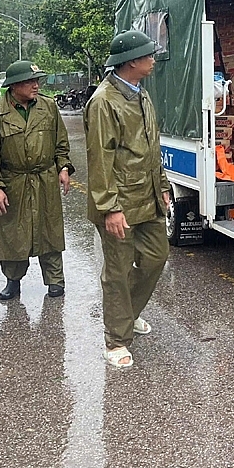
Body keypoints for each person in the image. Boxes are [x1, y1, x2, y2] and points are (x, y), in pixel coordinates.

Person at [84, 30, 171, 369]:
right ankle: (116, 339)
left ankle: (128, 313)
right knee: (118, 271)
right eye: (148, 55)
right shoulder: (104, 101)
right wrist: (110, 208)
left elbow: (152, 145)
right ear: (132, 61)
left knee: (155, 257)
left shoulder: (141, 95)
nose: (153, 59)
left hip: (147, 196)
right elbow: (100, 160)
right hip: (118, 201)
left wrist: (162, 184)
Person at [0, 60, 73, 301]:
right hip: (13, 181)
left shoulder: (49, 108)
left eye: (37, 80)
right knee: (12, 234)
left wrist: (63, 167)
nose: (36, 85)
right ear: (14, 85)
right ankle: (13, 281)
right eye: (30, 81)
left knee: (49, 230)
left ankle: (55, 281)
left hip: (44, 179)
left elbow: (61, 145)